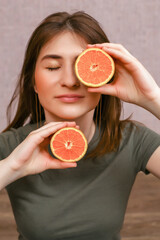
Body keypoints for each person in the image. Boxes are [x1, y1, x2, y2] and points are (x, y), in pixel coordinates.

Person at [0, 11, 160, 240]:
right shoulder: (11, 147)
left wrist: (153, 98)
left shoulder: (133, 140)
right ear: (33, 82)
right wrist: (12, 168)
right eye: (53, 67)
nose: (70, 80)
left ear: (104, 74)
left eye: (83, 66)